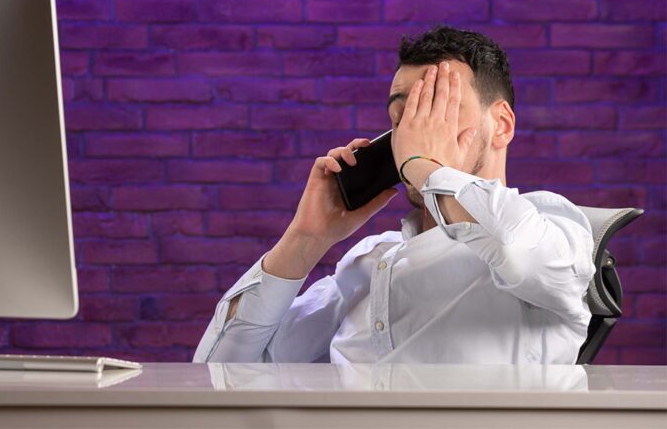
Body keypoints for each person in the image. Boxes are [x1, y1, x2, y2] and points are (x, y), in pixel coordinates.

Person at [193, 25, 596, 364]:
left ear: (502, 126)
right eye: (402, 118)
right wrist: (305, 239)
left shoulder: (554, 227)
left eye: (437, 110)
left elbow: (518, 250)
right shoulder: (371, 260)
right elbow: (221, 374)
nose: (412, 134)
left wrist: (425, 165)